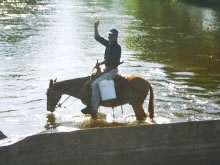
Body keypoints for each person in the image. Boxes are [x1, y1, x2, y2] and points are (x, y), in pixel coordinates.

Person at [81, 20, 121, 114]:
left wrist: (100, 64)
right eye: (109, 35)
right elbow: (97, 37)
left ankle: (94, 108)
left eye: (111, 35)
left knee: (95, 84)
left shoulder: (117, 48)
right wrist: (95, 27)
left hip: (112, 71)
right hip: (107, 69)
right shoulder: (108, 44)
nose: (109, 36)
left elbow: (111, 60)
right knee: (92, 78)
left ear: (116, 37)